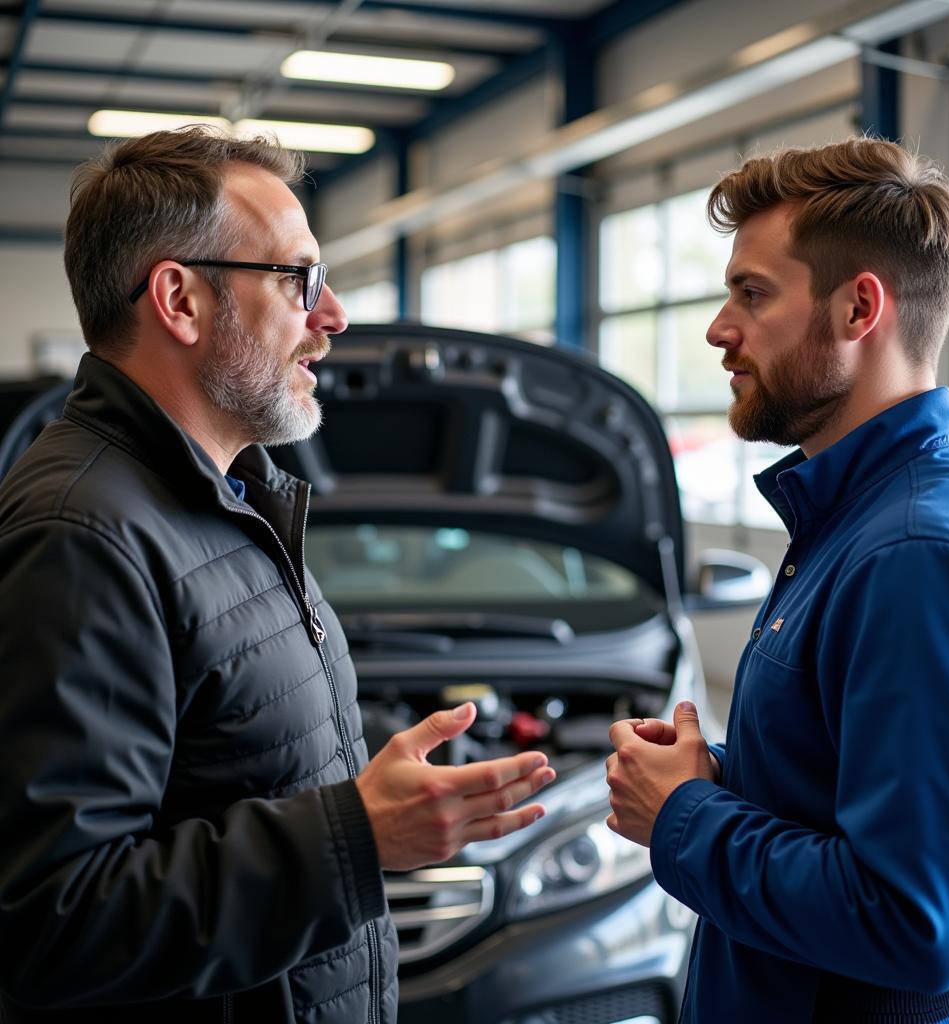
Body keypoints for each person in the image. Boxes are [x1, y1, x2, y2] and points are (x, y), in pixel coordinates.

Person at [0, 126, 555, 1024]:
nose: (331, 315)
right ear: (179, 299)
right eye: (299, 278)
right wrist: (358, 835)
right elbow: (54, 921)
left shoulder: (232, 500)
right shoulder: (84, 535)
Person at [606, 137, 949, 1023]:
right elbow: (847, 795)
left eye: (752, 294)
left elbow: (915, 921)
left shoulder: (916, 554)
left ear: (858, 307)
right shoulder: (855, 519)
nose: (721, 329)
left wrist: (681, 815)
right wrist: (714, 778)